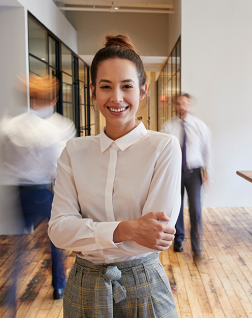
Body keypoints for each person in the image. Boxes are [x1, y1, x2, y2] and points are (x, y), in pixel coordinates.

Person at [48, 35, 181, 317]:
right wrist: (128, 229)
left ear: (143, 91)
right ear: (93, 91)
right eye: (106, 87)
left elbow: (156, 236)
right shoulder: (75, 151)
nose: (116, 98)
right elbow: (59, 231)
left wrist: (86, 233)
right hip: (84, 286)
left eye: (127, 86)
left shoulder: (163, 147)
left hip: (144, 283)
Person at [1, 74, 76, 304]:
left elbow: (5, 160)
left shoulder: (9, 126)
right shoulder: (59, 128)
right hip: (43, 191)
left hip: (20, 192)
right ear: (53, 99)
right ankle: (59, 287)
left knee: (19, 246)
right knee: (55, 240)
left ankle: (11, 294)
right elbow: (59, 165)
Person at [161, 94, 212, 259]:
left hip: (194, 172)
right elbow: (163, 152)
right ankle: (179, 239)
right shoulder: (168, 127)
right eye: (179, 104)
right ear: (175, 106)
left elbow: (206, 149)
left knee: (196, 209)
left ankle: (197, 246)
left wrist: (207, 170)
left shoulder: (199, 126)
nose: (182, 106)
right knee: (177, 207)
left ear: (189, 106)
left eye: (185, 104)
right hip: (175, 172)